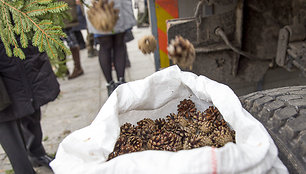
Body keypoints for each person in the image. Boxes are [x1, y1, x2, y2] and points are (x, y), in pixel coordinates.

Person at [0, 41, 60, 174]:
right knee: (5, 117)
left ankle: (36, 153)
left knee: (29, 99)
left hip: (18, 45)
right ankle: (23, 170)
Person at [84, 0, 136, 96]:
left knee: (105, 46)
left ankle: (110, 85)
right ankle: (121, 82)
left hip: (97, 6)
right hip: (116, 5)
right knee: (119, 44)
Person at [62, 0, 84, 79]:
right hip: (54, 12)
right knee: (57, 43)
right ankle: (63, 68)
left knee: (71, 41)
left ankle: (78, 67)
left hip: (65, 10)